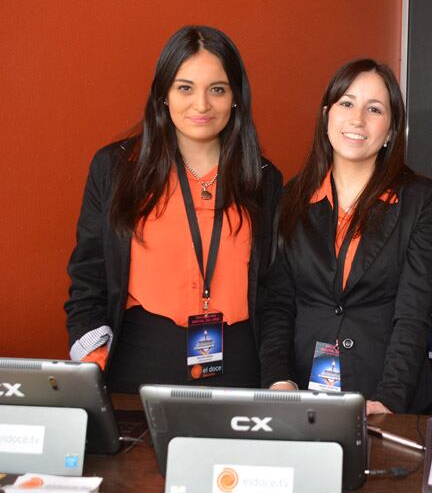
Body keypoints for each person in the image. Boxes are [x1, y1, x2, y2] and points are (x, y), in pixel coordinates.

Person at [65, 26, 283, 392]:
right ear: (163, 94)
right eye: (185, 88)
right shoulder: (116, 168)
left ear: (235, 98)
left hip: (240, 363)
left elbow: (277, 290)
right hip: (140, 358)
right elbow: (88, 274)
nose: (201, 105)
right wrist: (93, 359)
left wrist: (278, 374)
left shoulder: (264, 180)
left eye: (217, 89)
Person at [258, 59, 432, 415]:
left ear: (390, 130)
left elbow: (413, 311)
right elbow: (279, 303)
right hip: (303, 393)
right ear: (327, 115)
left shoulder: (418, 198)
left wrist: (390, 400)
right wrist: (279, 380)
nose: (357, 119)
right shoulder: (293, 197)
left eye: (374, 109)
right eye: (347, 103)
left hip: (383, 394)